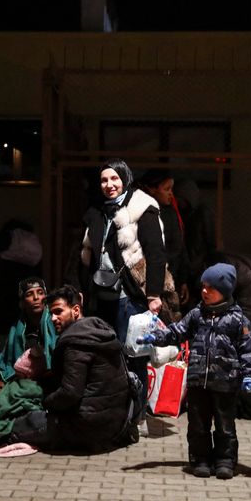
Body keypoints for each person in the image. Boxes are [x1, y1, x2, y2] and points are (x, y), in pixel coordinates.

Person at [78, 159, 179, 437]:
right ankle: (113, 412)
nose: (109, 185)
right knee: (106, 355)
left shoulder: (142, 209)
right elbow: (86, 254)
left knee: (134, 356)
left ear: (125, 179)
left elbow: (157, 255)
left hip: (130, 295)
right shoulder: (97, 212)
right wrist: (80, 288)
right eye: (104, 180)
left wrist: (154, 295)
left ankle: (137, 417)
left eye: (114, 179)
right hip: (101, 294)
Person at [139, 263, 251, 479]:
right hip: (197, 381)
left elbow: (247, 350)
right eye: (203, 286)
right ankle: (200, 459)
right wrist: (155, 337)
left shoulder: (238, 319)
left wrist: (248, 374)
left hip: (225, 383)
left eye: (211, 288)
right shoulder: (196, 315)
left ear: (225, 290)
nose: (204, 291)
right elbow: (177, 332)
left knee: (225, 425)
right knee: (197, 425)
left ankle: (225, 460)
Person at [8, 285, 130, 453]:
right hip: (114, 426)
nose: (52, 318)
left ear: (76, 310)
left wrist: (45, 403)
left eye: (58, 312)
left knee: (17, 425)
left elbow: (70, 393)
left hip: (87, 429)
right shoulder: (101, 331)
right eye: (50, 313)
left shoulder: (76, 342)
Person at [0, 278, 58, 394]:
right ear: (22, 303)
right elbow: (4, 362)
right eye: (29, 294)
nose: (36, 298)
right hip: (19, 384)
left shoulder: (56, 324)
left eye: (40, 293)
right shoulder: (16, 331)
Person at [139, 169, 193, 306]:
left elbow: (180, 247)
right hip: (150, 281)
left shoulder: (172, 212)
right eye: (167, 189)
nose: (171, 193)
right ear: (152, 189)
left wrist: (183, 280)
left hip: (173, 278)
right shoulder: (144, 214)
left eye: (171, 189)